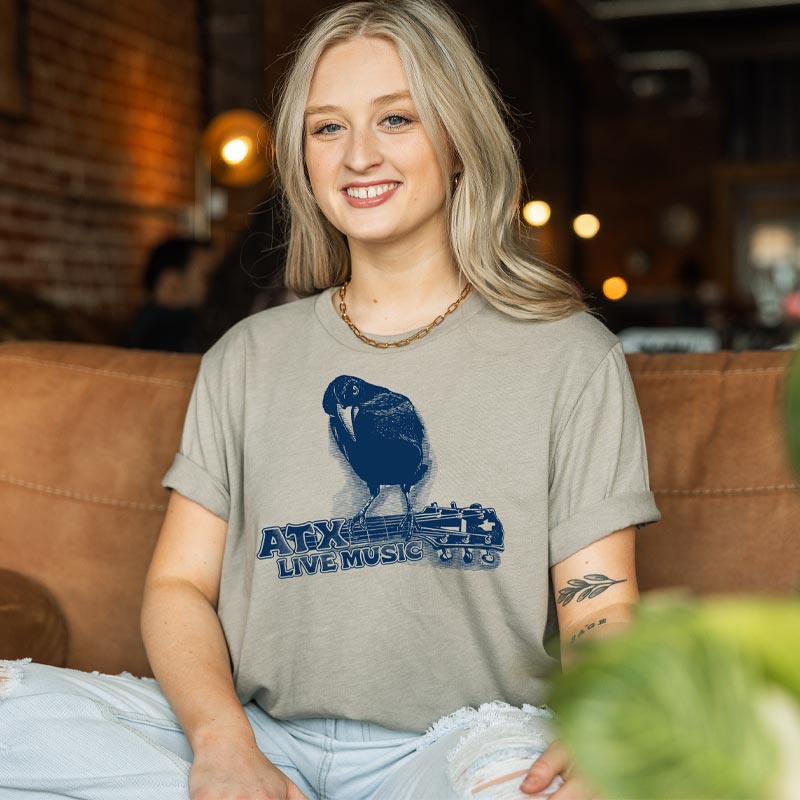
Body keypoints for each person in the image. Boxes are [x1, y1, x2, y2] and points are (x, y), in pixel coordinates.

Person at [0, 1, 661, 798]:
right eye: (327, 128)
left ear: (457, 143)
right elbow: (178, 587)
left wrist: (599, 732)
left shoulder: (567, 355)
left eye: (396, 119)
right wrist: (223, 746)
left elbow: (597, 598)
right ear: (301, 160)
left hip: (462, 742)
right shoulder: (247, 357)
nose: (358, 156)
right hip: (264, 737)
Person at [121, 237, 218, 353]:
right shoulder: (172, 334)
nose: (218, 286)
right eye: (207, 277)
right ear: (173, 286)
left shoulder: (142, 328)